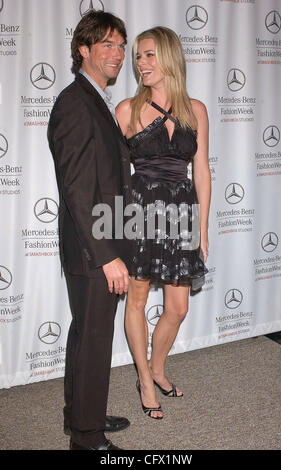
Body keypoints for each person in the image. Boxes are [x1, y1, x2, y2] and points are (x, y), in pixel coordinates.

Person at [116, 26, 211, 419]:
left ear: (170, 56)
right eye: (138, 56)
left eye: (149, 54)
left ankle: (157, 368)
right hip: (142, 211)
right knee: (136, 301)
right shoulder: (127, 110)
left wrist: (202, 230)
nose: (141, 63)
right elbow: (114, 174)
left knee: (178, 308)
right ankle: (144, 376)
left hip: (182, 214)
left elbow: (201, 171)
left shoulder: (196, 109)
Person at [48, 11, 132, 450]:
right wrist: (106, 255)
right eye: (107, 45)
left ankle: (80, 416)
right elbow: (78, 189)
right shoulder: (75, 103)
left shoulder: (93, 97)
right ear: (83, 49)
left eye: (121, 45)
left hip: (99, 242)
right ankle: (87, 438)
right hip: (92, 249)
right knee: (95, 341)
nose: (118, 53)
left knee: (85, 334)